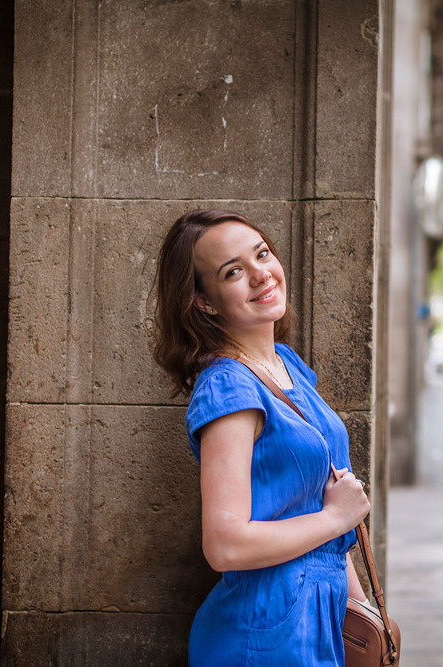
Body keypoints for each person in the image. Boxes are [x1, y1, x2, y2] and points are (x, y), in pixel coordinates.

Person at [151, 209, 370, 665]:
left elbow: (329, 503)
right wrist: (335, 519)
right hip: (267, 634)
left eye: (262, 254)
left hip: (320, 622)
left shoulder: (289, 368)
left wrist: (364, 615)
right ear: (205, 302)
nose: (260, 274)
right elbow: (225, 545)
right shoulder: (229, 388)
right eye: (233, 271)